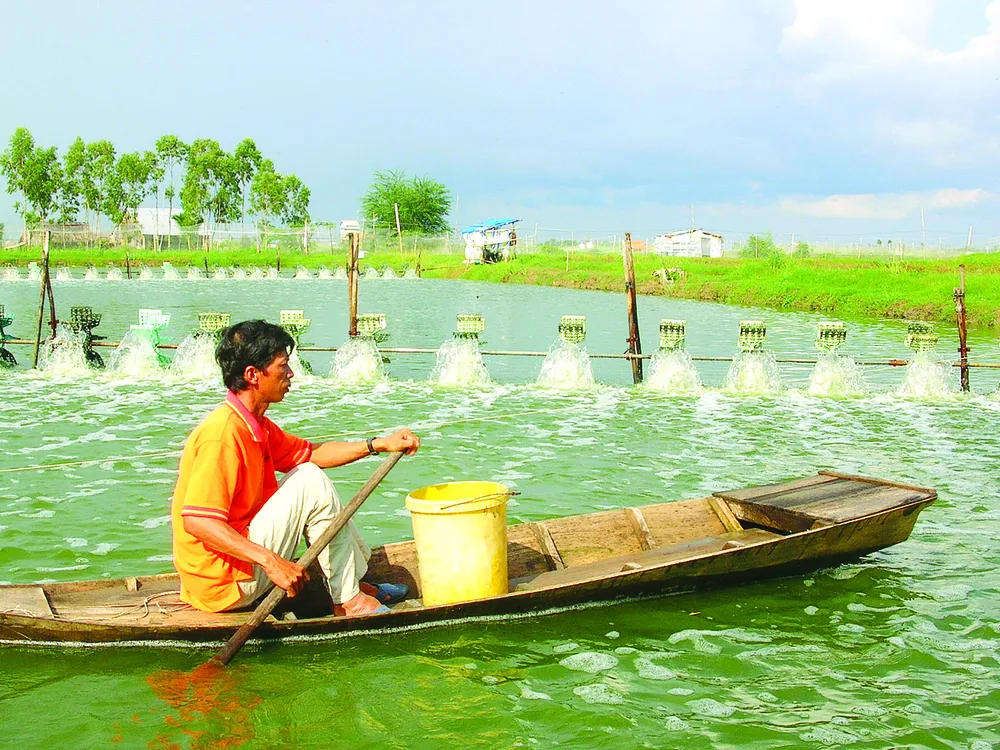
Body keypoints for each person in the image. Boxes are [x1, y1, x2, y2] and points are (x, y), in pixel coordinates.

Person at [171, 319, 420, 617]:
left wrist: (378, 444)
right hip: (225, 583)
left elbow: (311, 453)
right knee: (310, 481)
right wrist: (272, 562)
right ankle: (349, 600)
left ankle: (353, 583)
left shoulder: (254, 425)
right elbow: (198, 522)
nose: (291, 375)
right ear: (253, 375)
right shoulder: (222, 435)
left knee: (308, 473)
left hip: (240, 565)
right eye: (283, 366)